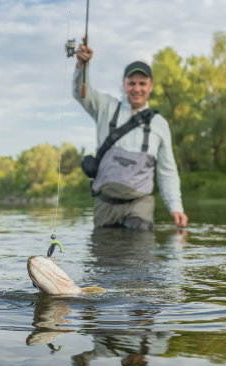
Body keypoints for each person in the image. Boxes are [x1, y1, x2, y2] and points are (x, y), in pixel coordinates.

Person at [73, 43, 188, 231]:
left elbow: (167, 170)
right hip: (105, 204)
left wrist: (176, 207)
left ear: (150, 86)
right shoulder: (105, 107)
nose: (137, 89)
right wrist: (82, 67)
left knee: (138, 248)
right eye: (132, 83)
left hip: (139, 204)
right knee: (104, 255)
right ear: (124, 85)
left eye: (142, 83)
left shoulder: (160, 124)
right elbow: (81, 93)